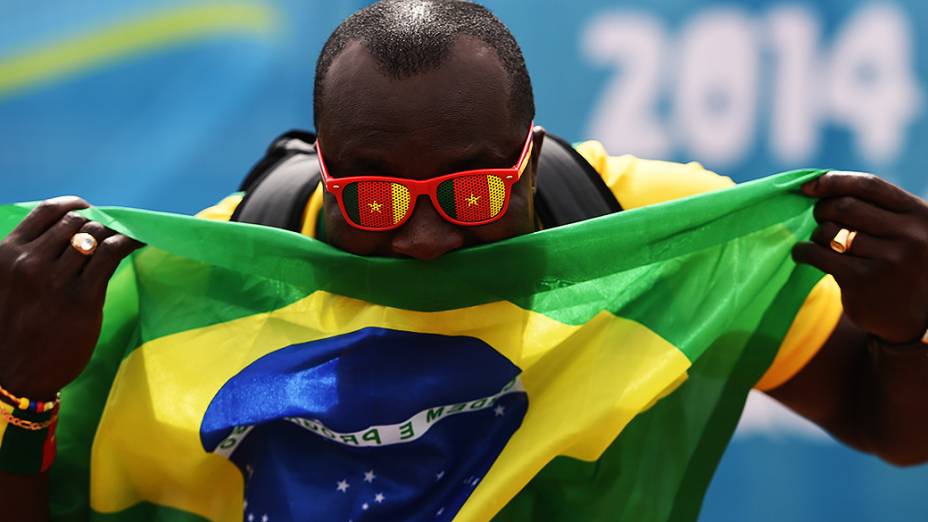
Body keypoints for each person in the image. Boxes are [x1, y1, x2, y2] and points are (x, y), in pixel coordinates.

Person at [2, 0, 927, 519]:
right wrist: (18, 395)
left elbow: (895, 430)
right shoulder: (195, 284)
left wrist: (911, 328)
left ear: (528, 154)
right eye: (372, 199)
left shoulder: (660, 233)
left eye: (473, 192)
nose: (424, 237)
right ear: (322, 164)